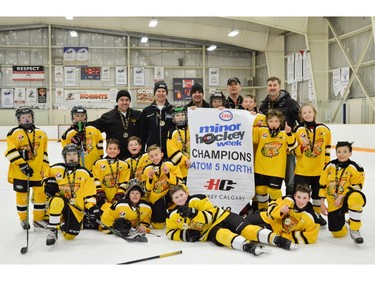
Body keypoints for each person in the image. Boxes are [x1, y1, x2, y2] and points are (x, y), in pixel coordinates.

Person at [166, 185, 297, 256]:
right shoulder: (173, 215)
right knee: (224, 236)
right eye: (176, 197)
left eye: (181, 195)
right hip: (210, 230)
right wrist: (184, 235)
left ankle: (278, 240)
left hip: (222, 216)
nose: (180, 198)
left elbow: (210, 215)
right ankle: (247, 246)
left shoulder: (197, 199)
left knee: (247, 229)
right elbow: (169, 232)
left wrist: (194, 213)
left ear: (186, 194)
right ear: (173, 201)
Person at [42, 144, 100, 246]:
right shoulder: (56, 169)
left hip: (76, 209)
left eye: (74, 154)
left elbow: (89, 193)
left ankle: (61, 224)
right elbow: (44, 177)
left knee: (70, 236)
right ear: (65, 156)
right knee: (57, 201)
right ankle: (53, 230)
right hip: (60, 202)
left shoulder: (85, 173)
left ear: (78, 156)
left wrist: (90, 207)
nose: (72, 157)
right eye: (69, 154)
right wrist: (47, 184)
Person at [4, 106, 50, 230]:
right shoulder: (14, 133)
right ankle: (23, 219)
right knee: (22, 197)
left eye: (28, 117)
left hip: (38, 173)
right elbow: (10, 152)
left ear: (32, 118)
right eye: (23, 118)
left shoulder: (41, 134)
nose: (26, 120)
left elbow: (45, 154)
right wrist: (22, 164)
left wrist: (45, 169)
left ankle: (38, 220)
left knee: (40, 196)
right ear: (19, 120)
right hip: (20, 172)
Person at [259, 76, 300, 196]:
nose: (272, 88)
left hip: (287, 148)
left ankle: (289, 203)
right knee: (268, 181)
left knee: (290, 180)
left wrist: (293, 136)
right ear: (267, 88)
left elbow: (301, 121)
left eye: (274, 85)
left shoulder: (290, 103)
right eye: (270, 85)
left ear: (279, 87)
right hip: (270, 147)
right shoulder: (264, 106)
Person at [319, 141, 366, 244]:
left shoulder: (356, 167)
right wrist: (322, 204)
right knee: (337, 233)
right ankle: (347, 224)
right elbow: (322, 185)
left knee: (356, 196)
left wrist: (341, 196)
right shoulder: (329, 166)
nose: (341, 154)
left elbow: (357, 186)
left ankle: (354, 229)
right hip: (334, 203)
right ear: (336, 152)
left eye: (345, 151)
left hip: (346, 199)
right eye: (339, 151)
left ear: (350, 153)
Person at [293, 103, 331, 226]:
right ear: (301, 115)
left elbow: (327, 150)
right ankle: (300, 215)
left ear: (314, 113)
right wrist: (302, 146)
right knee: (301, 195)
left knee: (316, 195)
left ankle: (316, 215)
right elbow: (294, 151)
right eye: (304, 113)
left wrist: (327, 166)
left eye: (309, 112)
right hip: (302, 170)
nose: (307, 114)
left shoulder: (324, 129)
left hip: (319, 170)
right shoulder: (298, 130)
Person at [252, 109, 297, 210]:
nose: (273, 124)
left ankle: (276, 210)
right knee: (260, 190)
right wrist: (255, 118)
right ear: (266, 121)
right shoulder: (261, 131)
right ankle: (262, 211)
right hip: (260, 169)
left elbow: (293, 146)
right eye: (271, 121)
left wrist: (289, 133)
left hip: (276, 171)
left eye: (276, 121)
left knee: (274, 191)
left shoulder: (284, 134)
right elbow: (250, 131)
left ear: (280, 122)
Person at [245, 184, 320, 244]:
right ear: (294, 196)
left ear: (309, 199)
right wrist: (279, 210)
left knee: (249, 231)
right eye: (299, 197)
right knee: (245, 221)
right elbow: (272, 204)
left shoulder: (310, 216)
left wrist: (286, 236)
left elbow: (312, 236)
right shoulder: (288, 200)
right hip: (266, 217)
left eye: (304, 198)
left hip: (274, 229)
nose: (301, 201)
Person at [89, 90, 141, 160]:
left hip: (133, 156)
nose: (124, 102)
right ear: (117, 101)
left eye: (127, 100)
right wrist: (79, 124)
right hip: (115, 155)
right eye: (122, 100)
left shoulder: (137, 115)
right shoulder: (108, 117)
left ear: (130, 101)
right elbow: (93, 125)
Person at [143, 144, 185, 229]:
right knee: (158, 225)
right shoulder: (147, 169)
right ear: (149, 158)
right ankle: (165, 214)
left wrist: (168, 174)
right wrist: (150, 178)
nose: (154, 158)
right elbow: (147, 189)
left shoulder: (170, 164)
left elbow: (179, 182)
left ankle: (175, 211)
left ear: (161, 154)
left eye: (156, 155)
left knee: (183, 191)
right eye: (151, 156)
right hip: (156, 198)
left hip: (170, 194)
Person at [92, 138, 131, 210]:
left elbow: (124, 182)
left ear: (118, 151)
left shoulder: (124, 165)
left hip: (118, 200)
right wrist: (101, 195)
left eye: (114, 149)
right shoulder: (98, 163)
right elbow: (95, 180)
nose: (112, 150)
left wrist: (118, 197)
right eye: (110, 148)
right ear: (106, 150)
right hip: (102, 200)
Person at [61, 106, 104, 170]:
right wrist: (74, 143)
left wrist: (100, 157)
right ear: (73, 117)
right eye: (77, 116)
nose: (80, 118)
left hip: (94, 165)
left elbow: (100, 144)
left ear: (85, 117)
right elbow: (66, 150)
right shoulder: (69, 133)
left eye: (82, 116)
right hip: (77, 167)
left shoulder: (93, 130)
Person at [139, 81, 174, 155]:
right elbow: (142, 132)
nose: (161, 93)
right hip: (152, 151)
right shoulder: (146, 111)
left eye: (163, 91)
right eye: (158, 91)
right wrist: (141, 151)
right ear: (154, 93)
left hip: (170, 150)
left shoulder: (172, 110)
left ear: (166, 93)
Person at [167, 106, 190, 182]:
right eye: (177, 115)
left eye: (182, 115)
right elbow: (171, 151)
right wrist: (185, 159)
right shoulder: (172, 132)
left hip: (193, 168)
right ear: (173, 118)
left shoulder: (192, 129)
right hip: (180, 169)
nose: (180, 117)